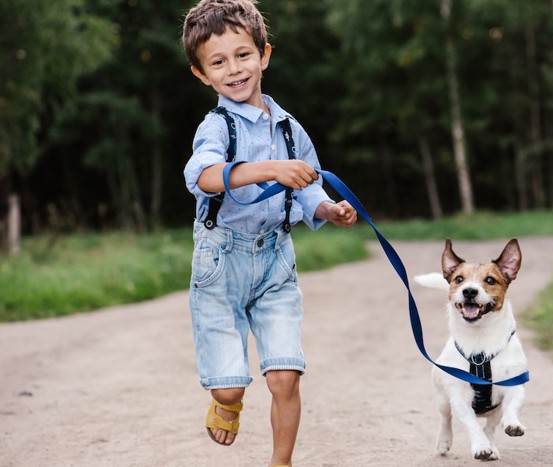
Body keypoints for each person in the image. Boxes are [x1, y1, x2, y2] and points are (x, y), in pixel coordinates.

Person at [181, 1, 357, 465]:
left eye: (243, 55)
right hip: (220, 262)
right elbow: (202, 176)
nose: (234, 69)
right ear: (202, 74)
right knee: (229, 385)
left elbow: (307, 184)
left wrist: (327, 208)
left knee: (285, 377)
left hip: (276, 259)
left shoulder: (289, 129)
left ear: (264, 55)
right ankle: (227, 402)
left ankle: (281, 462)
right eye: (217, 62)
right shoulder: (216, 126)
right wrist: (268, 170)